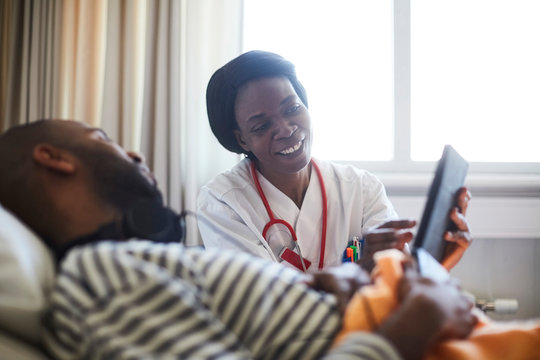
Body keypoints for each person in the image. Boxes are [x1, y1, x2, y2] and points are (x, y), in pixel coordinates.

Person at [0, 119, 478, 359]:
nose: (131, 150)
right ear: (54, 159)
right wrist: (410, 328)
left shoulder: (137, 265)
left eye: (291, 109)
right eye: (102, 137)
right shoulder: (98, 280)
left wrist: (322, 287)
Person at [198, 50, 472, 272]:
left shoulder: (361, 189)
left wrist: (435, 265)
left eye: (292, 109)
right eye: (261, 126)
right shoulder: (223, 202)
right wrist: (357, 268)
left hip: (360, 335)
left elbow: (397, 280)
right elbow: (265, 303)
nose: (285, 129)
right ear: (241, 140)